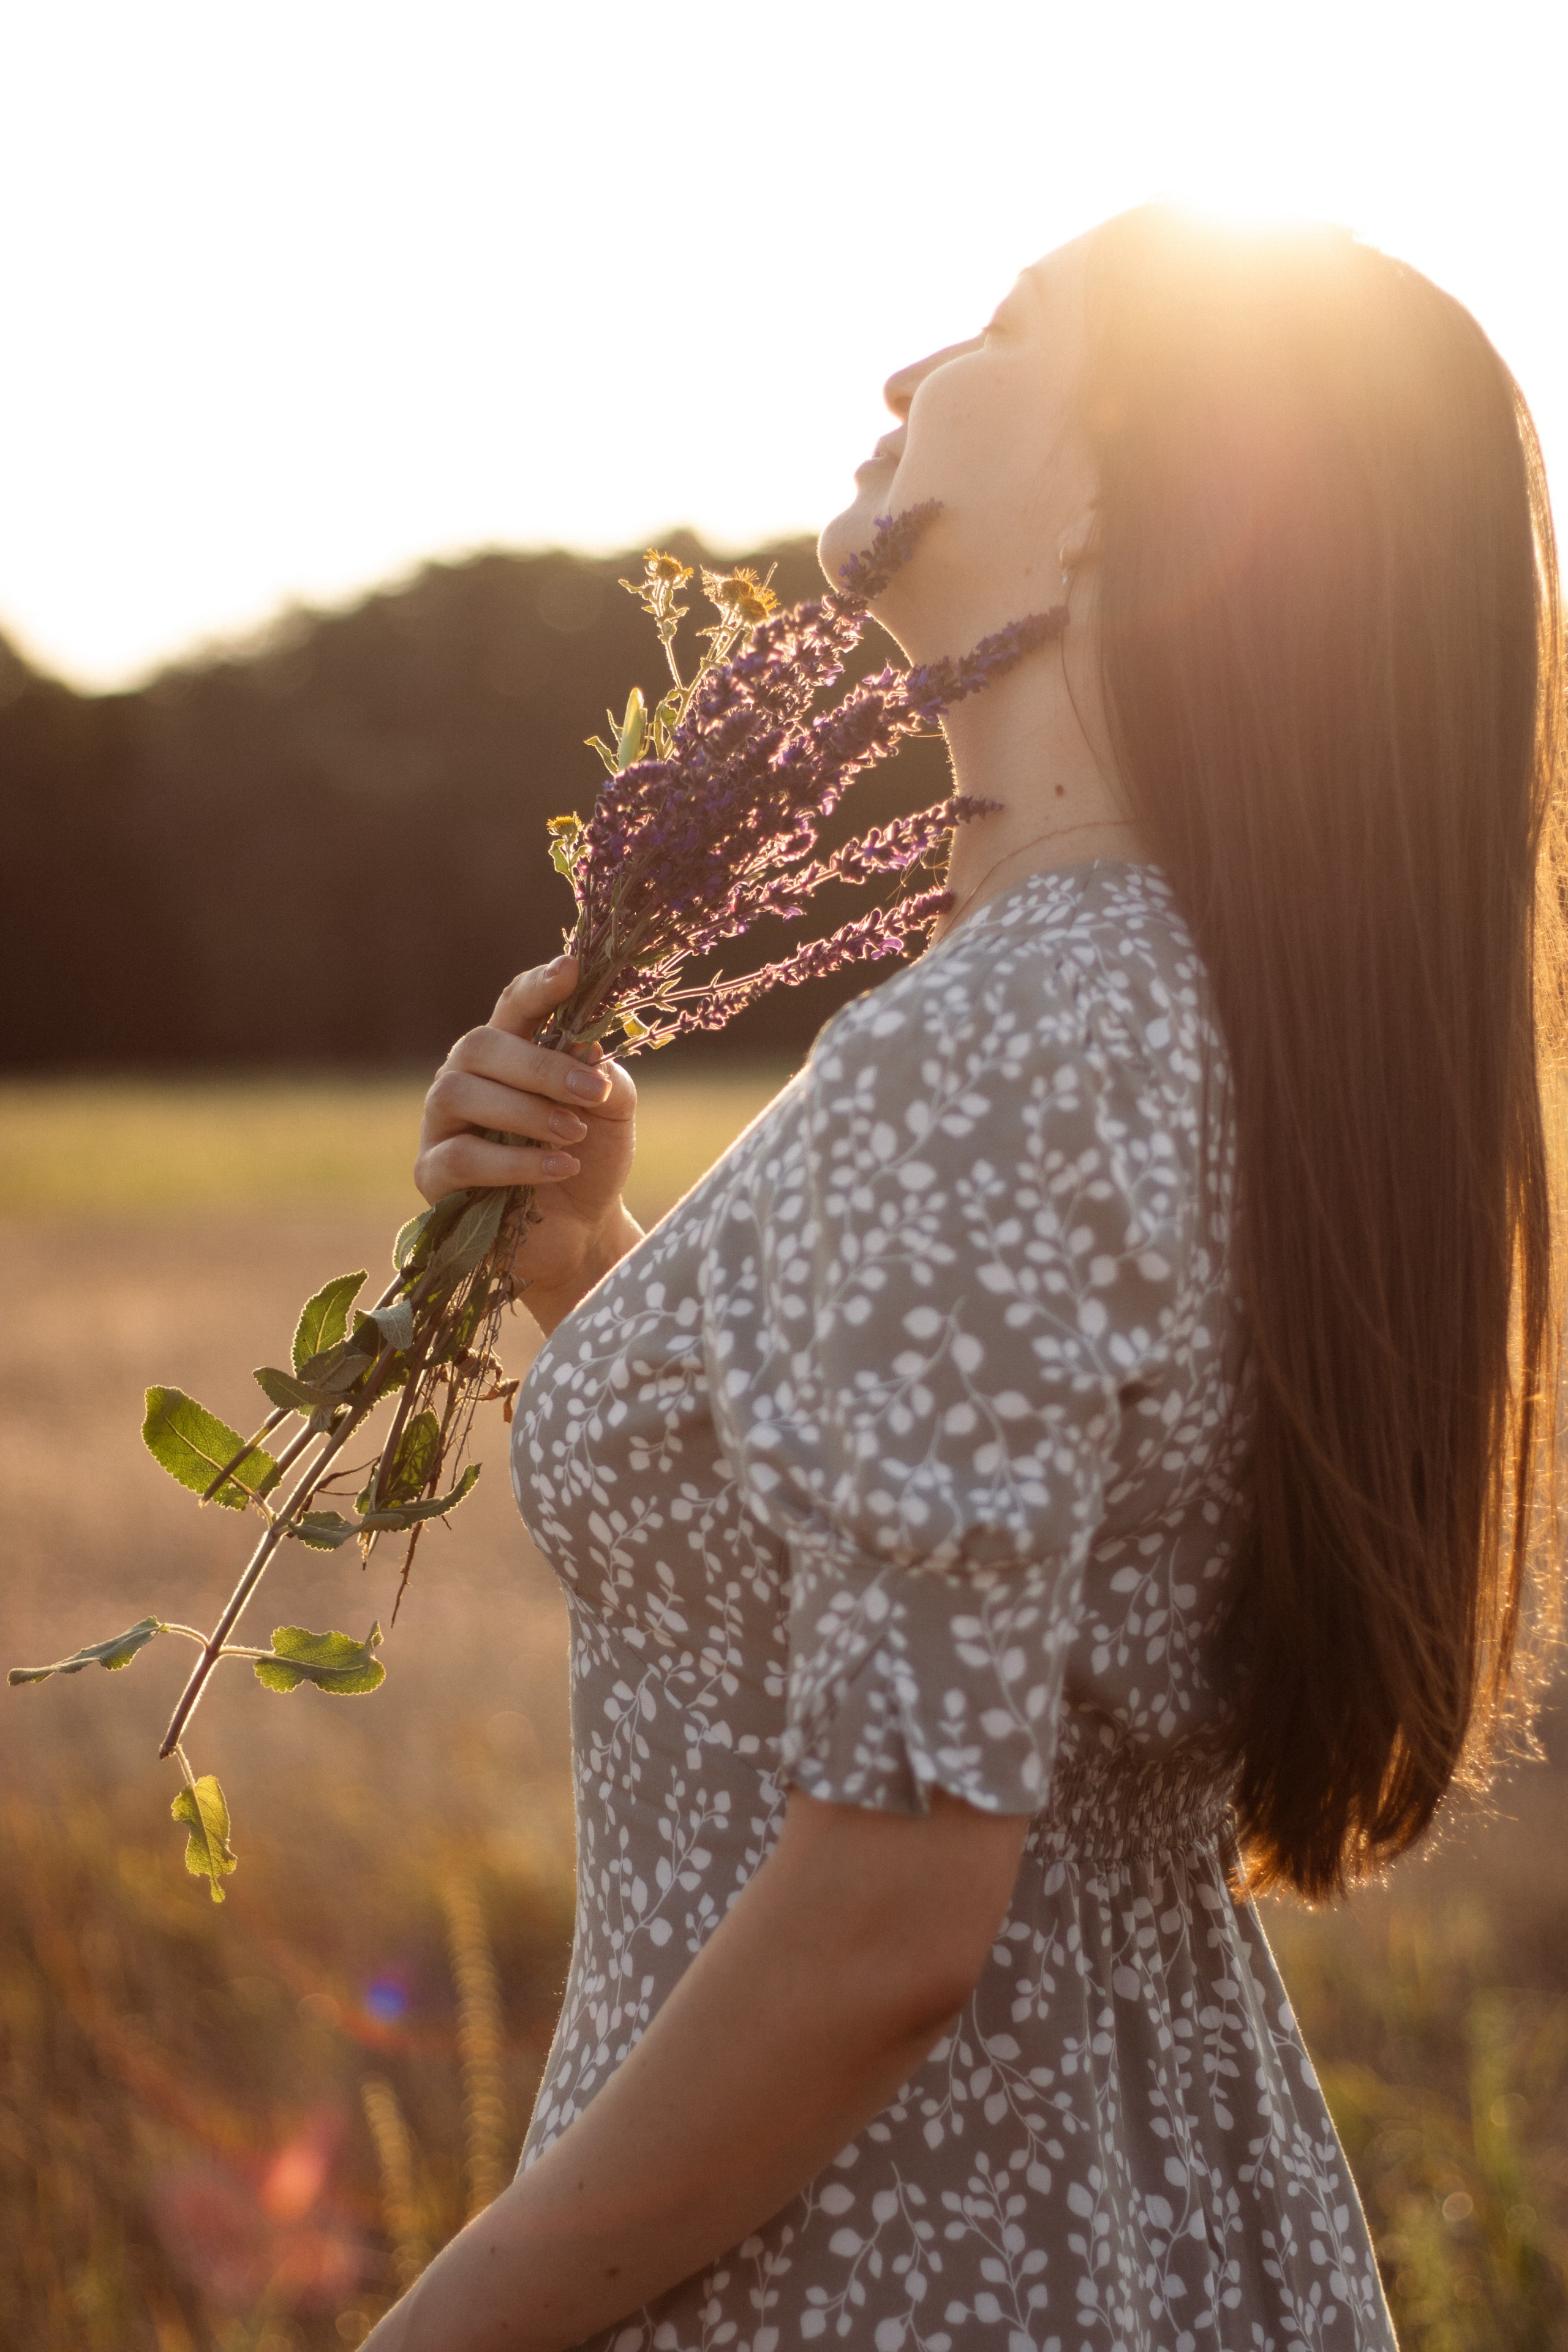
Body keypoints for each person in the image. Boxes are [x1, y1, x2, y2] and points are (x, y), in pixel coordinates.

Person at [366, 205, 1566, 2351]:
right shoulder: (1210, 1018)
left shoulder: (995, 1048)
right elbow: (1011, 1572)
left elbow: (889, 1922)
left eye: (1010, 325)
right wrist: (602, 1288)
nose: (913, 367)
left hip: (905, 2274)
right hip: (1163, 2232)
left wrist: (436, 2336)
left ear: (1124, 485)